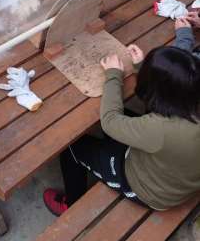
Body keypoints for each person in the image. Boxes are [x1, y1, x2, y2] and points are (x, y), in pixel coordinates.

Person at [43, 42, 200, 215]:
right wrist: (145, 68)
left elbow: (110, 121)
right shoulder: (189, 101)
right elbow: (166, 103)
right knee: (121, 117)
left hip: (149, 191)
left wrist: (113, 75)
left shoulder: (159, 129)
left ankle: (70, 204)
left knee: (71, 145)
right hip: (176, 176)